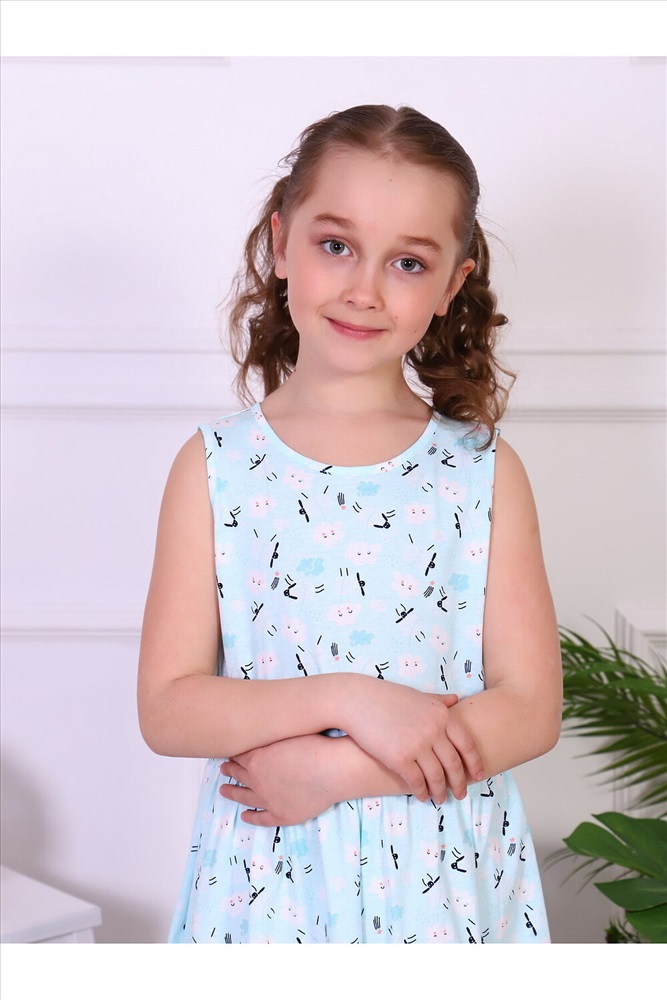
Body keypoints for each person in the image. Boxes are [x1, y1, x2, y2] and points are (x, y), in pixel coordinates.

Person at [137, 104, 562, 944]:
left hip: (443, 876)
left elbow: (530, 708)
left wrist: (340, 770)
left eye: (407, 262)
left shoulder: (481, 471)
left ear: (450, 286)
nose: (364, 289)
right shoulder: (215, 467)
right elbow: (168, 707)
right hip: (270, 879)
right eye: (336, 245)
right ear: (280, 241)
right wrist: (348, 698)